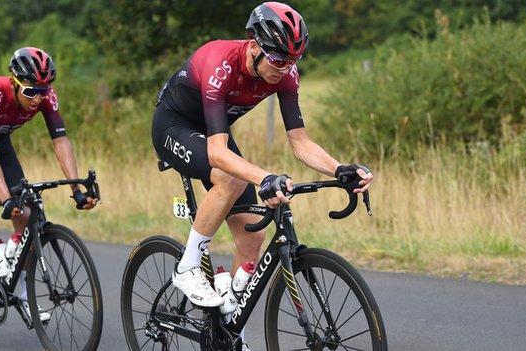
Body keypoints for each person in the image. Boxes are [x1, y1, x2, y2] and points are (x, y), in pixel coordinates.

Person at [152, 1, 373, 342]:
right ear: (254, 46)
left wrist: (340, 167)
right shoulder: (219, 64)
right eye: (278, 59)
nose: (285, 68)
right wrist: (264, 177)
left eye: (293, 61)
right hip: (174, 126)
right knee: (230, 177)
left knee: (252, 236)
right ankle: (187, 266)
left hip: (214, 131)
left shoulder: (284, 75)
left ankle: (227, 329)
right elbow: (216, 153)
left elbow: (300, 142)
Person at [0, 47, 98, 322]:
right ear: (13, 82)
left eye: (43, 90)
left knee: (27, 215)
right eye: (30, 92)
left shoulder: (45, 97)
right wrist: (5, 199)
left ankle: (17, 276)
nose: (37, 98)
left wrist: (76, 189)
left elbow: (60, 141)